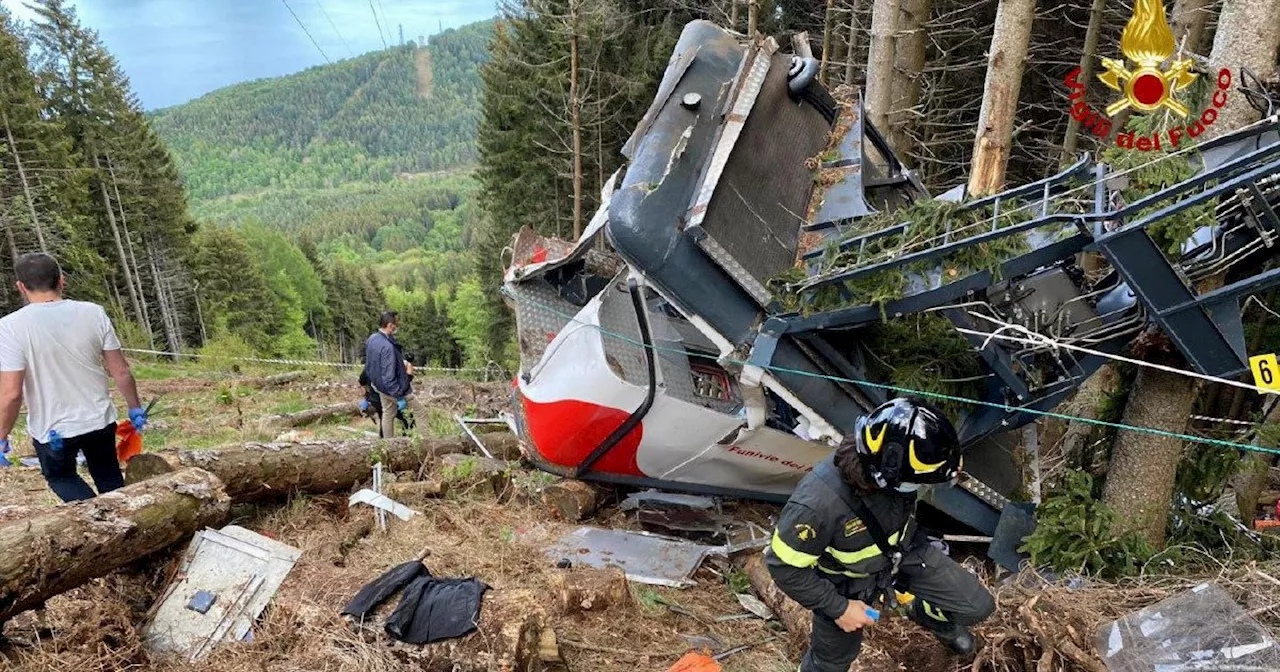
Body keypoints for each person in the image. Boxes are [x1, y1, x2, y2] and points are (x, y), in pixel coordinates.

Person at [766, 397, 995, 671]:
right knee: (830, 664)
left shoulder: (896, 468)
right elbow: (783, 567)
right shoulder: (817, 505)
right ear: (886, 473)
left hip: (903, 554)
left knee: (976, 606)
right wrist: (838, 608)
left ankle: (924, 612)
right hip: (845, 582)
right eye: (918, 482)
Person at [0, 253, 148, 502]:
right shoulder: (94, 313)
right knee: (108, 475)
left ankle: (98, 520)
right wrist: (135, 407)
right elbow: (121, 371)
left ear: (21, 287)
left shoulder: (10, 327)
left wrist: (2, 435)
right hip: (98, 419)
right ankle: (123, 519)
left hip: (53, 429)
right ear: (61, 280)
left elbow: (12, 393)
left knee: (62, 477)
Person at [363, 311, 428, 439]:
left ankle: (388, 446)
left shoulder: (373, 338)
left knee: (388, 413)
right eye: (395, 325)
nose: (396, 327)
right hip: (392, 389)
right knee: (422, 412)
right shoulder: (388, 347)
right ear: (389, 325)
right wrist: (399, 397)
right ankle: (426, 445)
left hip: (379, 386)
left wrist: (399, 362)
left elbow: (372, 363)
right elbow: (389, 376)